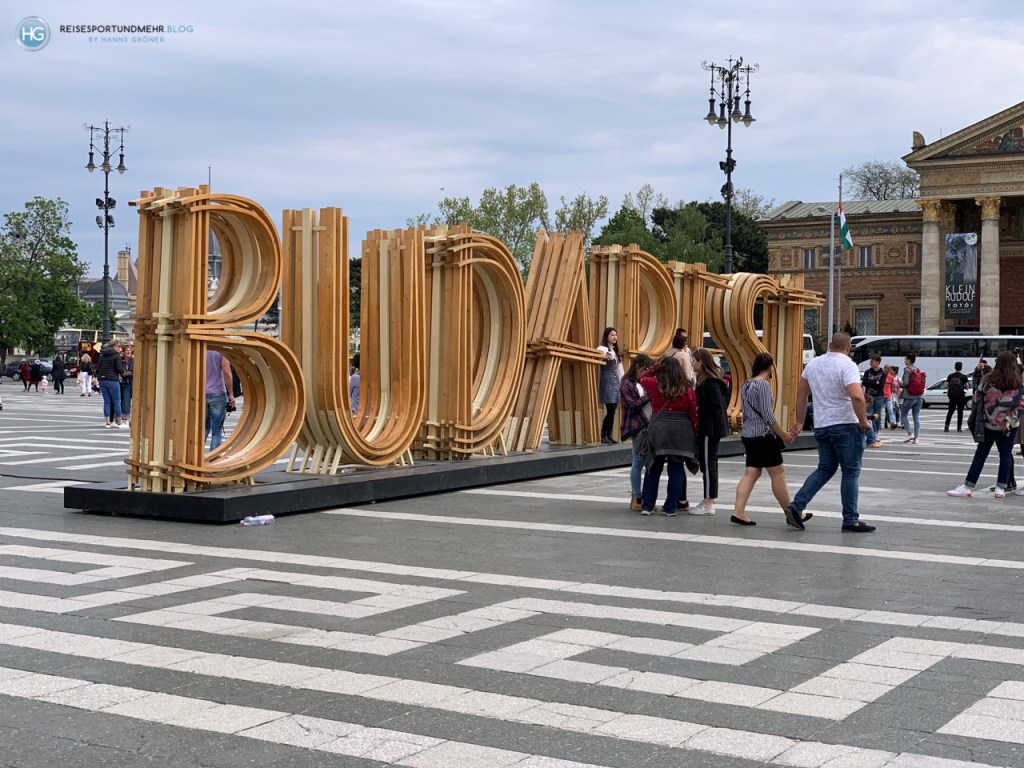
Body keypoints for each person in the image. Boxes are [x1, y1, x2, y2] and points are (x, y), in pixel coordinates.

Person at [787, 332, 876, 533]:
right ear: (849, 348)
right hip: (845, 424)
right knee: (851, 471)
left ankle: (797, 505)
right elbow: (857, 396)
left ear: (829, 345)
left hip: (822, 424)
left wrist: (800, 421)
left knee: (825, 468)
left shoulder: (813, 364)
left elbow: (802, 394)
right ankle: (850, 520)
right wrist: (863, 421)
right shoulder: (847, 365)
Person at [731, 352, 799, 526]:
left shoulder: (747, 384)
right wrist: (783, 434)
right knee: (778, 473)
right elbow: (768, 415)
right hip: (762, 435)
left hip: (748, 434)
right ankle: (792, 512)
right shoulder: (763, 385)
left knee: (752, 472)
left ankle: (738, 512)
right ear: (770, 367)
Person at [948, 350, 1024, 499]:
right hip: (1009, 426)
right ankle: (1000, 488)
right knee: (1006, 455)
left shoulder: (988, 379)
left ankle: (967, 486)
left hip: (989, 424)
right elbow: (1021, 405)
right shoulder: (1018, 382)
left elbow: (977, 398)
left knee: (981, 455)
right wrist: (1008, 420)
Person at [637, 356, 697, 516]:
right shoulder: (687, 388)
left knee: (653, 467)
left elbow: (642, 378)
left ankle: (647, 506)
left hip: (659, 429)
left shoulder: (655, 384)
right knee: (676, 469)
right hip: (681, 430)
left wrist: (656, 366)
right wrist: (694, 433)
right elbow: (694, 412)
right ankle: (670, 508)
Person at [691, 347, 729, 516]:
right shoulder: (714, 381)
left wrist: (700, 411)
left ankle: (708, 502)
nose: (692, 363)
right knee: (710, 464)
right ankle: (710, 499)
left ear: (701, 362)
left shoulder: (708, 383)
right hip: (714, 428)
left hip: (709, 429)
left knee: (707, 465)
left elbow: (714, 404)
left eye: (694, 360)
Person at [618, 353, 654, 511]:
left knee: (647, 462)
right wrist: (649, 396)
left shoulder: (642, 382)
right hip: (637, 426)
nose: (648, 372)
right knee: (638, 462)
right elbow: (632, 405)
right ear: (639, 367)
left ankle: (642, 497)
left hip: (648, 425)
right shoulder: (627, 384)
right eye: (646, 369)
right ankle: (637, 497)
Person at [596, 327, 623, 444]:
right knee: (610, 409)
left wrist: (623, 383)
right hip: (607, 380)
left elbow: (620, 371)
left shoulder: (616, 352)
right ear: (606, 336)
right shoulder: (602, 348)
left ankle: (608, 434)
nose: (615, 337)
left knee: (613, 409)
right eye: (612, 335)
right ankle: (603, 434)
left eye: (616, 335)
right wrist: (607, 354)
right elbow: (599, 353)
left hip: (615, 382)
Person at [205, 349, 236, 451]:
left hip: (201, 393)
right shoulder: (221, 351)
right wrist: (231, 394)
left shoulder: (199, 349)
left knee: (204, 427)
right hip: (217, 393)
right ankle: (213, 459)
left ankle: (196, 458)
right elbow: (227, 372)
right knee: (216, 430)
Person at [95, 340, 126, 429]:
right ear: (114, 347)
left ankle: (107, 422)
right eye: (118, 346)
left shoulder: (102, 356)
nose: (120, 348)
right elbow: (119, 368)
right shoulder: (116, 356)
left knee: (107, 402)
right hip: (112, 379)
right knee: (116, 401)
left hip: (102, 380)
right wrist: (124, 371)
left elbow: (98, 369)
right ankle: (119, 422)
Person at [901, 353, 926, 444]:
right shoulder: (917, 369)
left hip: (909, 396)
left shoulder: (907, 369)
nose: (904, 361)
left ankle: (909, 433)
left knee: (903, 415)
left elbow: (906, 383)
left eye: (905, 359)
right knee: (916, 416)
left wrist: (899, 384)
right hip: (919, 396)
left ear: (908, 360)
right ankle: (916, 438)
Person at [861, 355, 886, 447]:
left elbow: (881, 385)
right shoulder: (868, 372)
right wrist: (875, 383)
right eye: (870, 361)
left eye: (872, 361)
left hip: (879, 396)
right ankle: (872, 434)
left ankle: (876, 433)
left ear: (877, 362)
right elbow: (865, 382)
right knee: (870, 414)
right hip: (869, 396)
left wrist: (874, 383)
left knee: (877, 415)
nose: (870, 363)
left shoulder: (882, 373)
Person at [945, 361, 969, 433]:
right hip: (960, 396)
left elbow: (946, 385)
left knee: (950, 412)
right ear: (961, 368)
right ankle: (959, 428)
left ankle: (946, 427)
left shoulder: (950, 376)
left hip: (952, 397)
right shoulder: (964, 377)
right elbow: (967, 387)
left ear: (954, 367)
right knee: (960, 412)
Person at [120, 344, 134, 423]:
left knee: (128, 398)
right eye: (127, 350)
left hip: (131, 380)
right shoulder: (120, 360)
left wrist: (128, 373)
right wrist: (123, 373)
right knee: (125, 398)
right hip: (124, 381)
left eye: (130, 350)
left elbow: (132, 370)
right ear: (123, 352)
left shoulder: (132, 360)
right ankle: (125, 414)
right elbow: (119, 369)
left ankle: (126, 414)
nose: (129, 352)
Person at [882, 364, 896, 429]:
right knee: (879, 410)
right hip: (881, 395)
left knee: (890, 410)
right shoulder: (881, 376)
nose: (886, 369)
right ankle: (879, 424)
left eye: (887, 368)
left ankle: (893, 423)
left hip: (888, 396)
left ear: (890, 369)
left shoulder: (891, 377)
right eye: (885, 368)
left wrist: (891, 393)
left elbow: (891, 386)